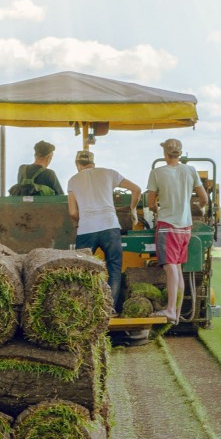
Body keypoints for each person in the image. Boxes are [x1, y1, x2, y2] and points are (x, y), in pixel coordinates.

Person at [66, 149, 140, 310]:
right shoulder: (109, 173)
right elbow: (136, 189)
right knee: (114, 267)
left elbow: (72, 212)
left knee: (82, 270)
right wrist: (133, 209)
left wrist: (84, 218)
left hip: (86, 229)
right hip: (110, 226)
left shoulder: (73, 180)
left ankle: (84, 308)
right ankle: (109, 308)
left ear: (78, 165)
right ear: (93, 163)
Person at [144, 138, 207, 324]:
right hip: (185, 227)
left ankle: (171, 310)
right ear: (180, 153)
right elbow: (203, 199)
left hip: (167, 225)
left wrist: (157, 208)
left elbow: (150, 203)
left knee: (170, 266)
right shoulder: (191, 170)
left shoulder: (156, 172)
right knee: (178, 268)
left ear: (164, 154)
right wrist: (199, 208)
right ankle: (176, 312)